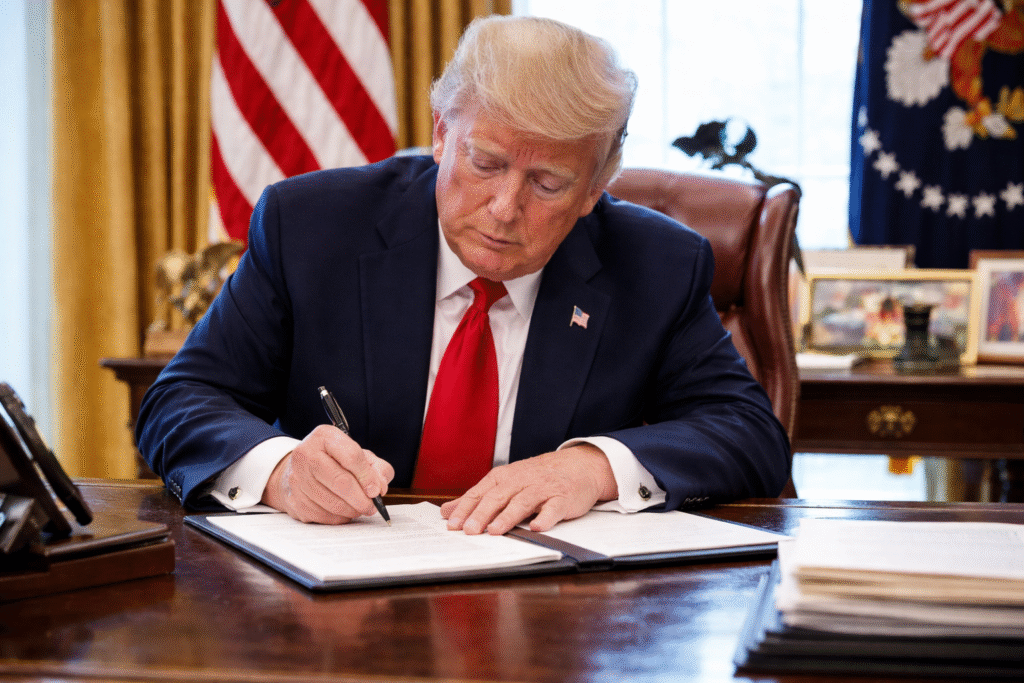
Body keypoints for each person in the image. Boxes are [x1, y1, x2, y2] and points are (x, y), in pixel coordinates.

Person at [136, 15, 790, 536]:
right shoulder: (311, 227)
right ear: (442, 133)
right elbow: (179, 401)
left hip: (557, 617)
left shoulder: (657, 265)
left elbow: (750, 434)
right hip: (342, 614)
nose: (505, 209)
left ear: (595, 187)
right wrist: (279, 469)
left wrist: (594, 466)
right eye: (486, 162)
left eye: (548, 182)